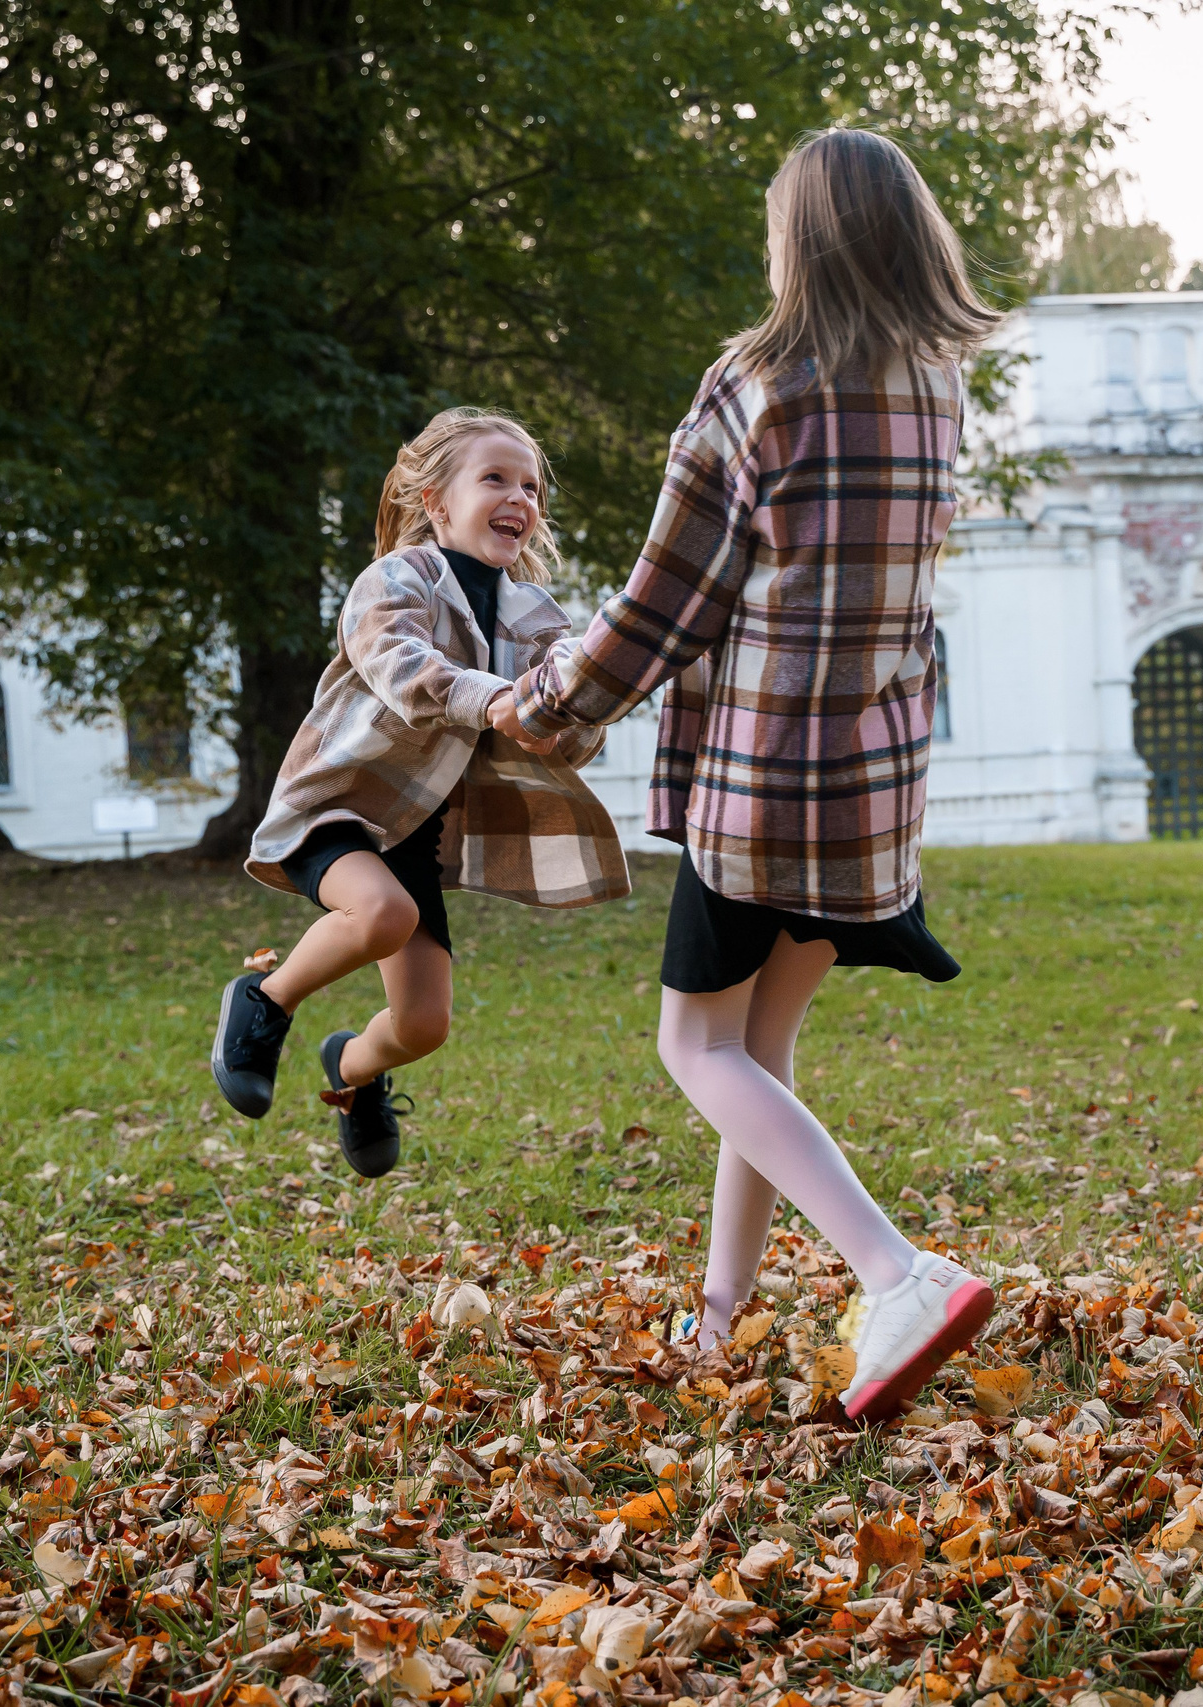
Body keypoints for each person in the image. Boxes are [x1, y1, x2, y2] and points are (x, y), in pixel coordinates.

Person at [507, 129, 991, 1424]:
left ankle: (899, 1272)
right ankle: (719, 1315)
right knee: (758, 1050)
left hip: (764, 784)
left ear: (802, 239)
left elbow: (668, 602)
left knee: (693, 1041)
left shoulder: (756, 385)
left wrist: (545, 703)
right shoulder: (938, 384)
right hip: (873, 785)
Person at [208, 408, 629, 1176]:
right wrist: (494, 699)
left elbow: (571, 717)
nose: (520, 497)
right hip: (338, 804)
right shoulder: (396, 580)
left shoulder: (537, 618)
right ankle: (264, 1000)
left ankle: (353, 1070)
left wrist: (564, 720)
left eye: (531, 486)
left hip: (412, 828)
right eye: (495, 478)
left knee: (425, 1023)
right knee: (383, 912)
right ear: (435, 501)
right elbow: (401, 665)